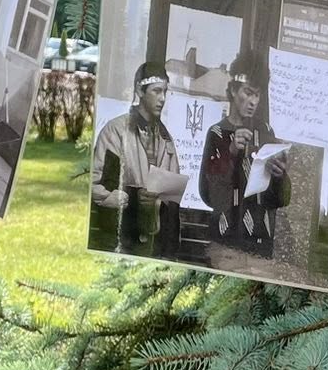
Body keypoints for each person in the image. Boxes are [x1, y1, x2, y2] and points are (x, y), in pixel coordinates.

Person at [91, 64, 183, 256]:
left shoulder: (166, 139)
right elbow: (97, 185)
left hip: (154, 245)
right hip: (121, 241)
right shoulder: (116, 131)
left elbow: (172, 197)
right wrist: (132, 198)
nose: (162, 98)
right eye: (156, 91)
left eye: (165, 92)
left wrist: (158, 200)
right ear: (140, 91)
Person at [201, 75, 288, 254]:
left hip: (260, 241)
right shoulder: (217, 133)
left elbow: (279, 200)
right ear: (234, 91)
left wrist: (280, 176)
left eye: (257, 95)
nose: (253, 102)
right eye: (248, 93)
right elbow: (208, 194)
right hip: (226, 240)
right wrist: (230, 152)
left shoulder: (266, 131)